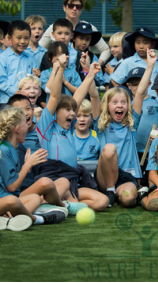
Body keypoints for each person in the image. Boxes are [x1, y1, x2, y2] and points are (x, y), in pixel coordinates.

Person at [36, 54, 109, 213]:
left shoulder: (68, 129)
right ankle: (42, 205)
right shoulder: (47, 127)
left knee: (102, 201)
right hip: (53, 180)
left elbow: (79, 96)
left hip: (72, 181)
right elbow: (54, 96)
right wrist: (61, 68)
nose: (72, 113)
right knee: (62, 186)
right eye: (67, 110)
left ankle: (65, 206)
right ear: (55, 112)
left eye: (72, 110)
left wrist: (90, 75)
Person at [94, 49, 157, 208]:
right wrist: (90, 74)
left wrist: (150, 65)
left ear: (128, 105)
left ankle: (118, 195)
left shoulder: (131, 123)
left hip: (126, 176)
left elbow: (141, 92)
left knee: (129, 199)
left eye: (123, 102)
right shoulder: (100, 124)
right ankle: (109, 190)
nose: (119, 105)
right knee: (109, 149)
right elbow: (94, 96)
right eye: (114, 102)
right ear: (107, 106)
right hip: (104, 175)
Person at [0, 107, 68, 225]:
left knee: (62, 181)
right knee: (36, 196)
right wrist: (27, 165)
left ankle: (59, 206)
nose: (28, 127)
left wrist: (27, 166)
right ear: (17, 129)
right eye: (25, 123)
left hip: (14, 196)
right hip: (4, 199)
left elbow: (13, 178)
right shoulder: (3, 150)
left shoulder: (14, 147)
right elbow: (11, 187)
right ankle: (14, 218)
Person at [39, 0, 111, 64]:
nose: (74, 9)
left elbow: (105, 50)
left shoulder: (88, 27)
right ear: (64, 7)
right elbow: (40, 49)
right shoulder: (54, 26)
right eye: (71, 5)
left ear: (81, 9)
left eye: (78, 6)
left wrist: (94, 66)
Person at [123, 68, 158, 185]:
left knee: (152, 173)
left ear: (149, 84)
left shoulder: (157, 101)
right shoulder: (125, 104)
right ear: (128, 86)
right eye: (134, 84)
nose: (138, 87)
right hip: (134, 149)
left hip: (154, 147)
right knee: (137, 176)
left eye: (141, 83)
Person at [110, 27, 158, 96]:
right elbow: (115, 81)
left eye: (145, 42)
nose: (141, 46)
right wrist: (126, 96)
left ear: (153, 44)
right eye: (137, 42)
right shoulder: (128, 62)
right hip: (137, 104)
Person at [0, 21, 33, 107]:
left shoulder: (30, 57)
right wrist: (15, 92)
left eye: (26, 38)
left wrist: (36, 75)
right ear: (9, 38)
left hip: (26, 100)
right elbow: (0, 81)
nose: (23, 41)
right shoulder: (3, 57)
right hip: (8, 101)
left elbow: (32, 78)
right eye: (19, 38)